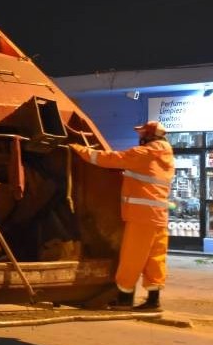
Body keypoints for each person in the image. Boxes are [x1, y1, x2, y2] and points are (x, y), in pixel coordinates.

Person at [69, 120, 175, 311]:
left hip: (141, 216)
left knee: (132, 257)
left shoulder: (143, 154)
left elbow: (109, 159)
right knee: (155, 258)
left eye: (142, 134)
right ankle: (153, 301)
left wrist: (79, 149)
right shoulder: (167, 155)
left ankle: (124, 299)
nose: (140, 137)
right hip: (158, 216)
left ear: (150, 136)